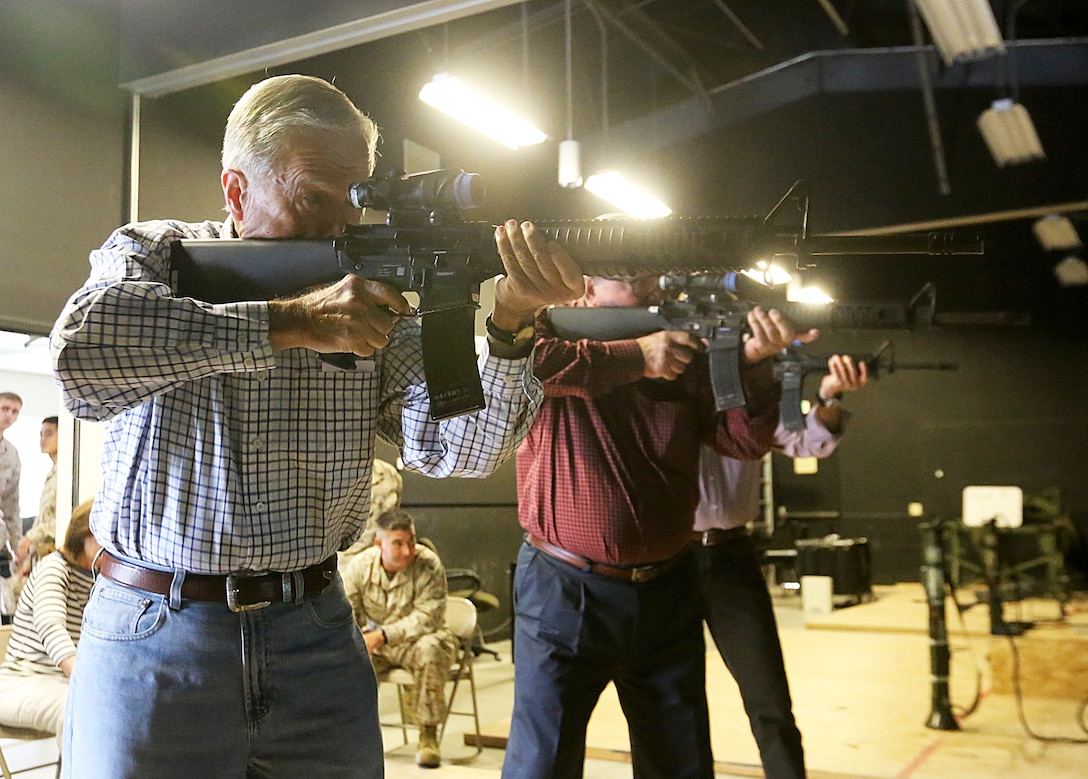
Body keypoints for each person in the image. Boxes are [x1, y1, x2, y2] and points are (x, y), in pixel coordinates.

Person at [49, 73, 584, 779]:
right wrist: (294, 323)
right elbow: (81, 355)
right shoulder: (154, 254)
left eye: (354, 201)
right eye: (313, 199)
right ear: (236, 191)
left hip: (319, 632)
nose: (340, 228)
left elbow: (457, 450)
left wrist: (509, 324)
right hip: (157, 632)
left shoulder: (373, 300)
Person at [505, 273, 816, 779]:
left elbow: (738, 440)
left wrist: (754, 362)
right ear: (587, 289)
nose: (653, 291)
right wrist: (638, 356)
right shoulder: (549, 330)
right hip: (564, 591)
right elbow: (528, 368)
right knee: (542, 764)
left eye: (655, 277)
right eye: (633, 278)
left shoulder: (684, 350)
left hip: (667, 591)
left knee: (681, 764)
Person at [692, 354, 870, 779]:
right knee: (676, 705)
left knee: (768, 696)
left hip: (731, 555)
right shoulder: (668, 391)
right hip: (668, 556)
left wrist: (828, 396)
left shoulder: (749, 399)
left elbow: (806, 440)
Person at [342, 507, 457, 768]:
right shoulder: (361, 566)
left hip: (419, 640)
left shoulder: (428, 563)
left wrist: (382, 635)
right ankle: (353, 735)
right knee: (350, 657)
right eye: (398, 543)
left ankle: (428, 736)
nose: (407, 550)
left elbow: (429, 617)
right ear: (379, 543)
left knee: (431, 648)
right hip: (379, 642)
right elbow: (348, 612)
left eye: (411, 541)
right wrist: (359, 640)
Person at [0, 497, 99, 744]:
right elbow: (49, 624)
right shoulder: (54, 567)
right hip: (20, 682)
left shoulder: (100, 581)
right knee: (80, 709)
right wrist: (83, 676)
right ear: (84, 536)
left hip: (62, 684)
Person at [14, 416, 59, 594]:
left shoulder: (66, 473)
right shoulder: (52, 474)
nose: (43, 439)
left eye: (48, 434)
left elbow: (62, 519)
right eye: (41, 434)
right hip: (39, 558)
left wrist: (30, 537)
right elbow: (43, 519)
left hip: (53, 558)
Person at [0, 392, 23, 560]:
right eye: (5, 409)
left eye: (15, 411)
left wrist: (17, 545)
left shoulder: (11, 454)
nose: (9, 415)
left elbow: (11, 503)